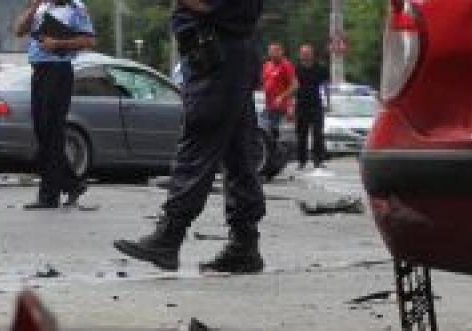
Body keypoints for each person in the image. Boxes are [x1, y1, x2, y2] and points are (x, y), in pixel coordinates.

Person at [113, 0, 267, 275]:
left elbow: (210, 6)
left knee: (199, 144)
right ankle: (244, 244)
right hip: (224, 53)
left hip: (218, 56)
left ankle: (169, 236)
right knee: (238, 151)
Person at [14, 0, 96, 210]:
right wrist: (32, 7)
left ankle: (49, 196)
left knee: (52, 131)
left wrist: (58, 44)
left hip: (58, 70)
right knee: (43, 132)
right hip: (39, 71)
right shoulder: (41, 6)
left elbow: (88, 40)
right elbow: (18, 31)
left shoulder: (75, 7)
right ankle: (72, 183)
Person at [294, 44, 330, 170]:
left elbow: (326, 86)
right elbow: (292, 86)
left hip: (316, 104)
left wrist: (328, 102)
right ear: (300, 55)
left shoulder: (320, 68)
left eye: (308, 53)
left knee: (318, 133)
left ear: (312, 54)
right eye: (303, 53)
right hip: (301, 105)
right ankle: (301, 160)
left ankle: (318, 160)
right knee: (301, 134)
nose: (305, 55)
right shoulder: (296, 68)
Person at [261, 42, 296, 141]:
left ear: (280, 52)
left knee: (274, 133)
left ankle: (278, 152)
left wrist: (282, 96)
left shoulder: (286, 65)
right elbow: (263, 83)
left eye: (274, 51)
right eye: (270, 51)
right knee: (266, 131)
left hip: (281, 107)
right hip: (268, 105)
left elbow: (295, 85)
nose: (271, 53)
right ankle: (271, 152)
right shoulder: (266, 65)